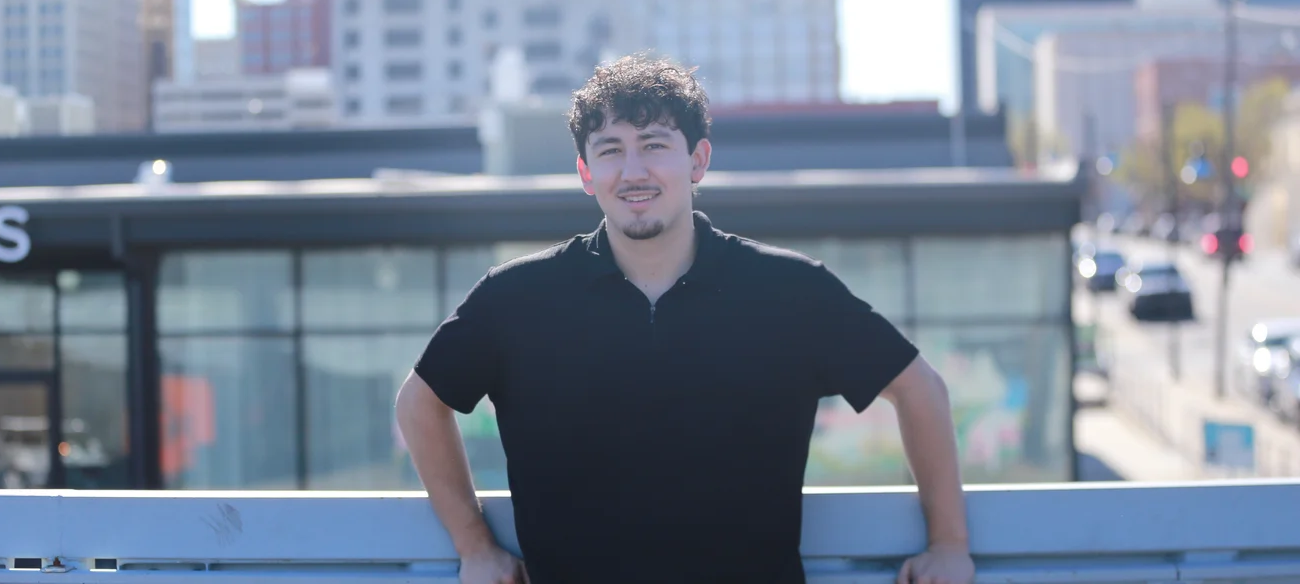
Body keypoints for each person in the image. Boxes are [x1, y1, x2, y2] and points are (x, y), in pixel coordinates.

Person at [396, 54, 976, 584]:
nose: (633, 171)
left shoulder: (789, 289)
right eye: (610, 149)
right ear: (585, 172)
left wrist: (949, 543)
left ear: (697, 160)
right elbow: (420, 403)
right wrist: (474, 544)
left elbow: (918, 389)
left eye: (653, 144)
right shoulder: (515, 298)